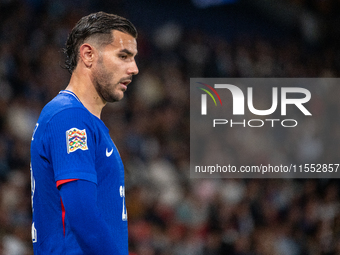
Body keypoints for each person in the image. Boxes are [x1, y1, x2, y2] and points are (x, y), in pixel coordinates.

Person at [30, 11, 139, 254]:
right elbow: (82, 216)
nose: (134, 68)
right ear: (88, 55)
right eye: (123, 56)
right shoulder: (70, 117)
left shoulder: (79, 118)